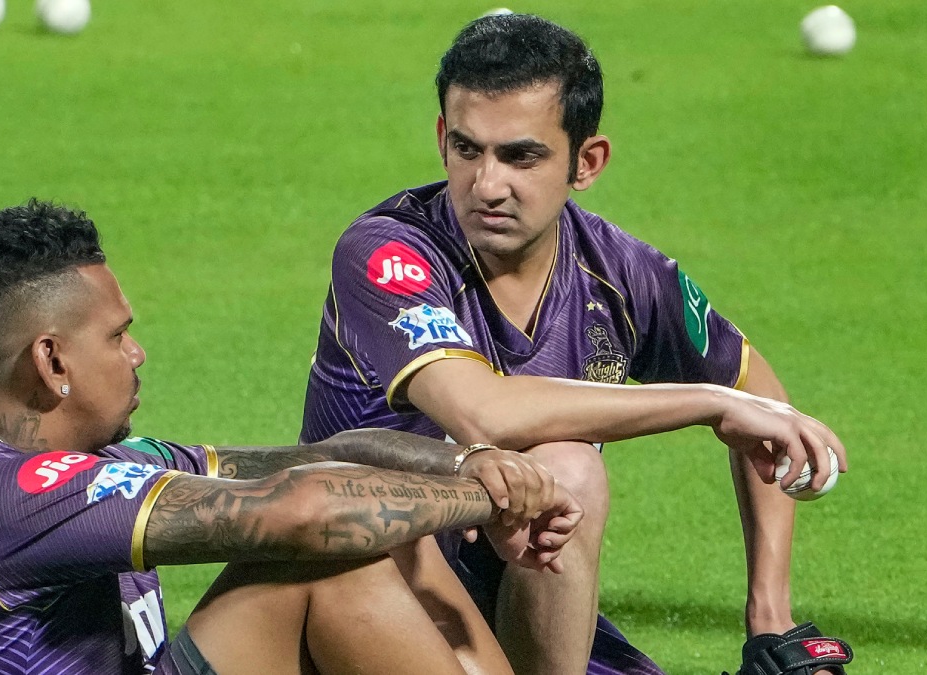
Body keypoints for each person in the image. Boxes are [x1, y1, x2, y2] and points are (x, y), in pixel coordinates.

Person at [300, 13, 851, 675]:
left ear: (586, 162)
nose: (487, 184)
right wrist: (709, 403)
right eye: (468, 149)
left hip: (516, 601)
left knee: (567, 470)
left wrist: (771, 616)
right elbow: (483, 412)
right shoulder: (388, 254)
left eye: (521, 156)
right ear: (443, 138)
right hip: (369, 593)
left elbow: (762, 403)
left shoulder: (621, 273)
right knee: (571, 466)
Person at [0, 200, 587, 675]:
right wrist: (483, 503)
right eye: (117, 336)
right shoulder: (6, 494)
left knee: (389, 526)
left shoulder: (79, 467)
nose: (137, 353)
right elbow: (306, 513)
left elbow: (326, 459)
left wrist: (472, 463)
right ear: (52, 361)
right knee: (336, 550)